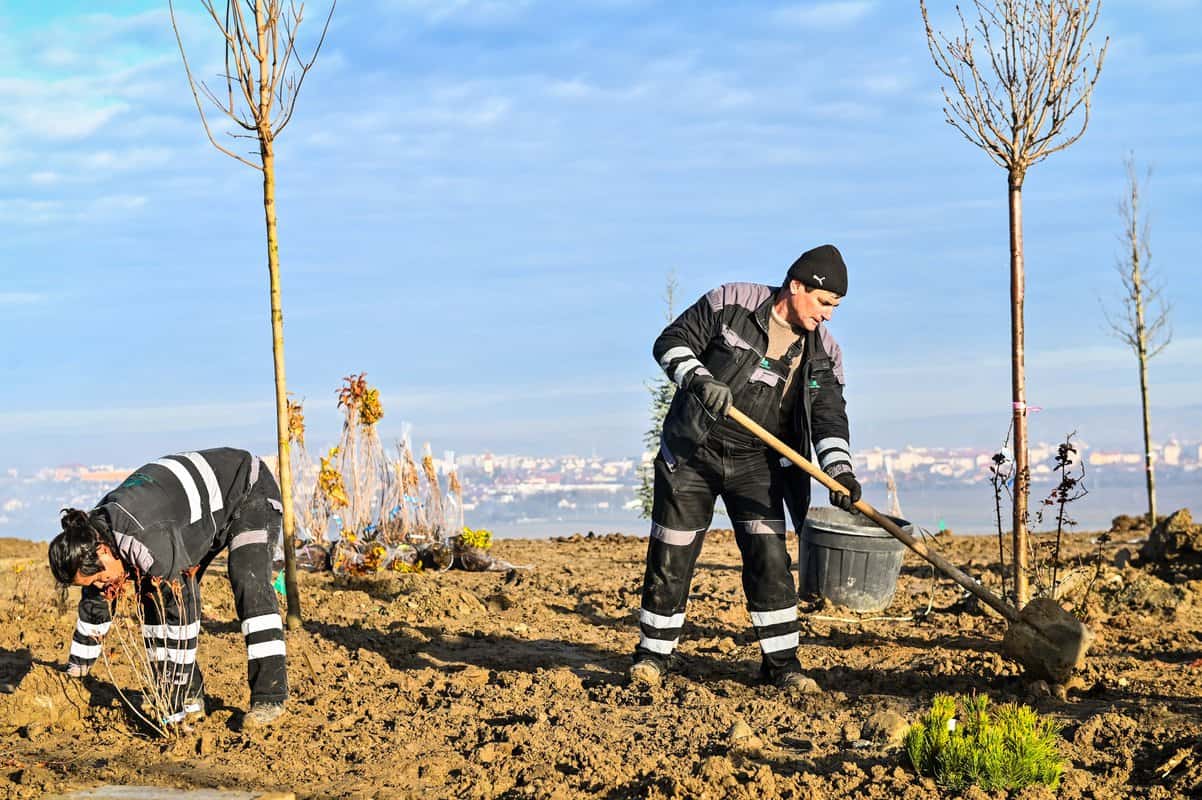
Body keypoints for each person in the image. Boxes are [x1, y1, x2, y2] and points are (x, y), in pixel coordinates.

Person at [631, 244, 862, 691]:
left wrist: (840, 471)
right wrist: (700, 380)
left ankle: (782, 666)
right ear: (797, 286)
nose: (829, 315)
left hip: (758, 463)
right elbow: (670, 342)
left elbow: (830, 416)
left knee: (770, 558)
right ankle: (652, 658)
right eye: (825, 303)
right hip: (692, 452)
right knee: (671, 554)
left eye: (835, 307)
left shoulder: (823, 353)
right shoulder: (731, 302)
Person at [48, 447, 288, 729]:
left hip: (249, 490)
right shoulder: (92, 537)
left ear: (102, 551)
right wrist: (76, 674)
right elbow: (95, 606)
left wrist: (170, 704)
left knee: (249, 582)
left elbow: (182, 613)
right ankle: (191, 698)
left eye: (99, 579)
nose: (102, 586)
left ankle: (269, 698)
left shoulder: (147, 539)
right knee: (153, 598)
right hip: (194, 520)